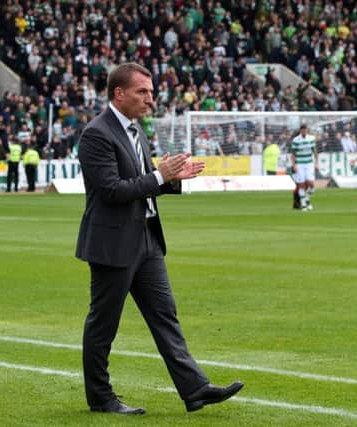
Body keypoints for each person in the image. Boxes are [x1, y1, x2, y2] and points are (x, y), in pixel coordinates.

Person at [75, 63, 243, 416]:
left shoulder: (136, 130)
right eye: (142, 92)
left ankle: (195, 389)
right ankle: (100, 398)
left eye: (151, 92)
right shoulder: (96, 134)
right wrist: (156, 175)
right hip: (114, 244)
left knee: (165, 316)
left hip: (147, 240)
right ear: (118, 93)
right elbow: (111, 191)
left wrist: (170, 179)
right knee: (103, 325)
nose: (151, 99)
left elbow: (141, 186)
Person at [290, 124, 317, 211]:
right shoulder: (296, 140)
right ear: (300, 131)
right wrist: (294, 165)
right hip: (300, 164)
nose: (304, 131)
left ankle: (307, 199)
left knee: (311, 184)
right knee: (301, 184)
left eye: (305, 130)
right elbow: (293, 154)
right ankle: (303, 204)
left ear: (307, 130)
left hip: (309, 163)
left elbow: (315, 151)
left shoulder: (311, 139)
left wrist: (317, 162)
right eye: (302, 130)